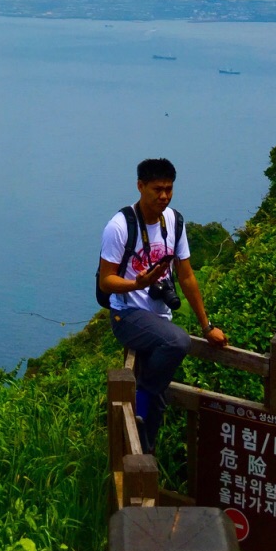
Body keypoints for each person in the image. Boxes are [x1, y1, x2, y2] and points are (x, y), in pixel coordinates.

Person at [99, 157, 226, 434]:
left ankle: (146, 451)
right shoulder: (120, 226)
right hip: (127, 315)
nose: (164, 196)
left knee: (157, 407)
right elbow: (106, 280)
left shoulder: (174, 222)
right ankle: (140, 396)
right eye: (157, 189)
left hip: (159, 317)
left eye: (169, 189)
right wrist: (137, 284)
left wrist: (207, 327)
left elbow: (187, 275)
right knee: (178, 341)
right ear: (140, 186)